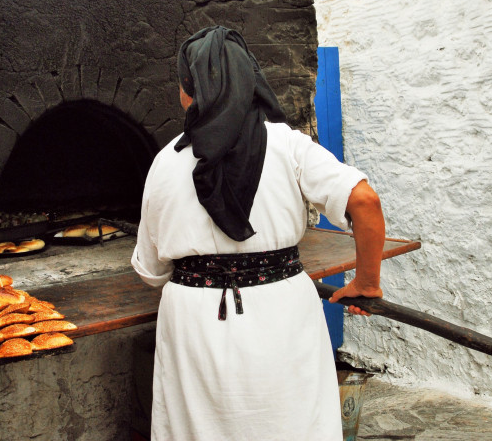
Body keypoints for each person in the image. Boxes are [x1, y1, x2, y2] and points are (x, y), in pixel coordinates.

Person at [131, 25, 385, 440]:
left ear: (188, 89)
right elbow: (366, 202)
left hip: (194, 320)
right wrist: (367, 282)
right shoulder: (288, 145)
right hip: (283, 310)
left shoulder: (165, 161)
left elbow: (151, 270)